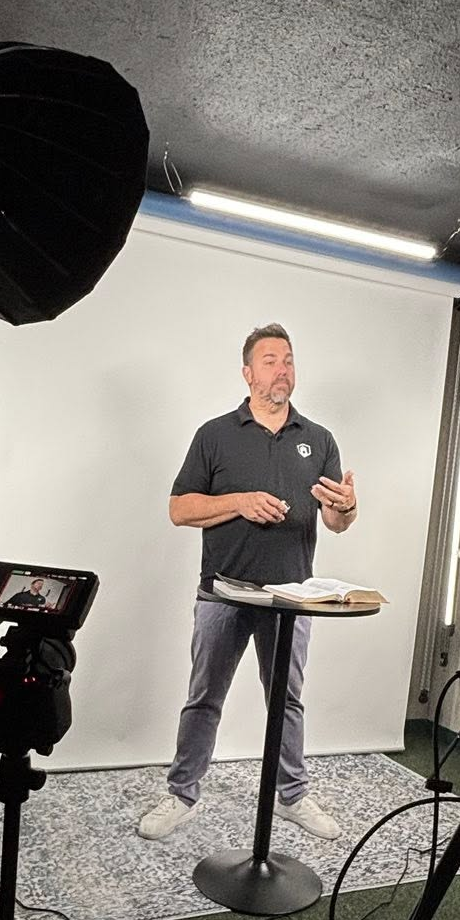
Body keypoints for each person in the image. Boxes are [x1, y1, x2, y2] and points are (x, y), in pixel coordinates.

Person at [138, 323, 358, 841]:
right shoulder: (215, 435)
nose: (282, 369)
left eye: (288, 360)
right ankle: (182, 794)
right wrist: (239, 501)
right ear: (247, 372)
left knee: (287, 700)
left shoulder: (319, 440)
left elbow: (336, 522)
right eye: (269, 360)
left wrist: (347, 507)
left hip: (291, 597)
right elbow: (179, 509)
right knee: (204, 696)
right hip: (223, 592)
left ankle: (292, 796)